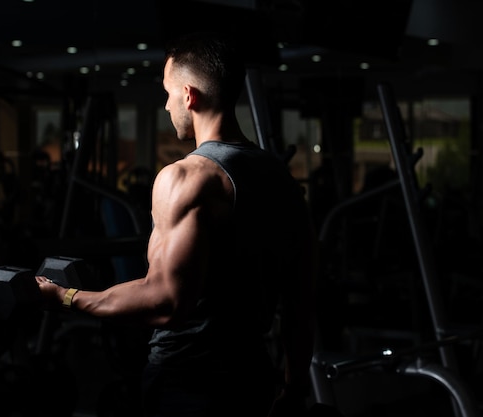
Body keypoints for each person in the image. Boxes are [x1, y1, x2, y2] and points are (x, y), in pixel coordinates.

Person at [37, 31, 317, 417]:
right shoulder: (280, 178)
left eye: (168, 92)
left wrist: (67, 298)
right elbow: (301, 298)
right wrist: (295, 384)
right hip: (255, 379)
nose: (166, 105)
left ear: (189, 95)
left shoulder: (188, 177)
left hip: (188, 383)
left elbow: (167, 301)